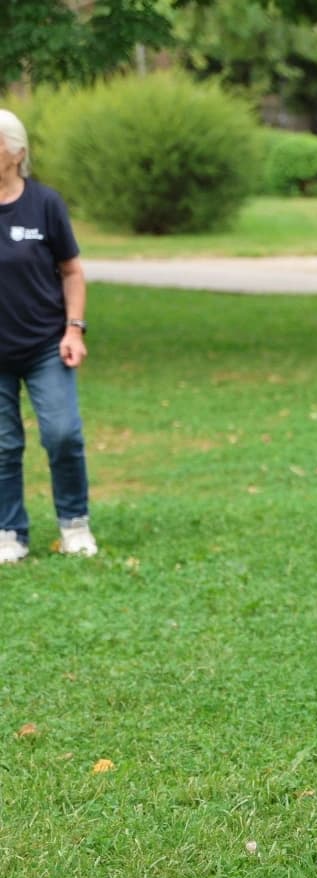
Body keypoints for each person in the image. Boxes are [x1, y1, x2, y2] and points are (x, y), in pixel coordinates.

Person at [0, 108, 98, 564]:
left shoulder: (45, 204)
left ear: (16, 153)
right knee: (3, 443)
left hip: (44, 344)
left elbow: (72, 271)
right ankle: (9, 532)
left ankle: (74, 523)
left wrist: (73, 328)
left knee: (62, 435)